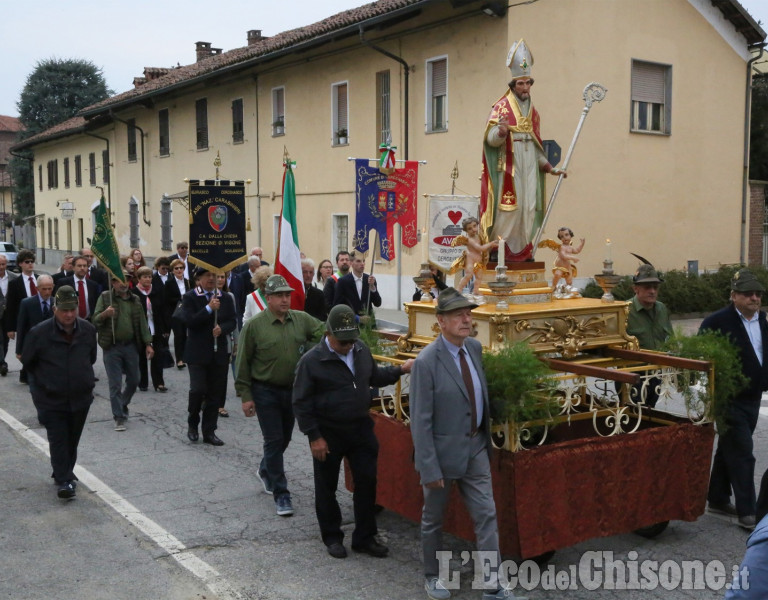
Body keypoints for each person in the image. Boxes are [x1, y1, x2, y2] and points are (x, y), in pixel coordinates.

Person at [410, 288, 517, 600]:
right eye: (459, 314)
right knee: (433, 519)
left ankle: (493, 585)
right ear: (441, 321)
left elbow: (476, 397)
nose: (467, 319)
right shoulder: (426, 362)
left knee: (487, 515)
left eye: (468, 313)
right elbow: (420, 420)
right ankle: (432, 577)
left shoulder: (473, 347)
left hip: (475, 448)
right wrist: (429, 468)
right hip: (442, 457)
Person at [293, 304, 413, 558]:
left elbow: (374, 378)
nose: (347, 346)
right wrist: (314, 436)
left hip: (360, 429)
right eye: (342, 342)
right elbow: (301, 403)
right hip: (328, 433)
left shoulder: (360, 350)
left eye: (351, 340)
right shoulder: (311, 361)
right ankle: (332, 536)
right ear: (328, 335)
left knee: (367, 483)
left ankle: (365, 537)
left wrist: (400, 369)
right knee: (326, 486)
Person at [235, 274, 325, 517]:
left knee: (284, 438)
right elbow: (242, 362)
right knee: (274, 440)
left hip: (293, 391)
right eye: (279, 296)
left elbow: (323, 334)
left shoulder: (301, 319)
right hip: (265, 391)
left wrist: (309, 348)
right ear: (268, 297)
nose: (285, 300)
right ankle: (281, 493)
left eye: (287, 295)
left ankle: (266, 469)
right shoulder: (254, 326)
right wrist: (245, 395)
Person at [480, 39, 564, 262]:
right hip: (509, 168)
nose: (525, 88)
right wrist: (501, 131)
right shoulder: (501, 107)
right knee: (510, 210)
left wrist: (548, 167)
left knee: (529, 207)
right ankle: (500, 248)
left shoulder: (533, 112)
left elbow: (536, 147)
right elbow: (489, 141)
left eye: (528, 83)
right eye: (521, 84)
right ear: (513, 85)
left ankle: (522, 248)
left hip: (529, 169)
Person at [700, 269, 768, 532]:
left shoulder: (761, 320)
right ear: (734, 296)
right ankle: (748, 511)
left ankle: (717, 498)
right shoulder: (717, 322)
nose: (754, 298)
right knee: (742, 452)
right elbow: (704, 358)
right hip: (728, 397)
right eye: (748, 293)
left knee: (729, 447)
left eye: (758, 294)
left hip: (753, 396)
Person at [20, 286, 97, 500]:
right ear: (55, 309)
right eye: (64, 310)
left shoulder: (88, 330)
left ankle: (62, 470)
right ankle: (65, 480)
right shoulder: (39, 333)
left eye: (72, 309)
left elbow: (90, 358)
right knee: (59, 439)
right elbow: (28, 363)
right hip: (51, 400)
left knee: (72, 439)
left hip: (80, 398)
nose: (69, 315)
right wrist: (40, 395)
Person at [181, 267, 236, 446]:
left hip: (218, 351)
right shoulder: (190, 296)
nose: (212, 279)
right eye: (208, 275)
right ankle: (192, 423)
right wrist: (208, 308)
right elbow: (190, 321)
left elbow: (232, 320)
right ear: (199, 278)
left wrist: (223, 329)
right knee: (197, 389)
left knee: (215, 393)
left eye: (215, 275)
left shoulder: (225, 297)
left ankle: (209, 430)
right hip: (197, 352)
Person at [93, 275, 153, 432]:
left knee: (135, 380)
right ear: (113, 282)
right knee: (115, 384)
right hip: (112, 347)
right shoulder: (106, 297)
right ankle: (118, 417)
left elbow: (142, 322)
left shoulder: (135, 300)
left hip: (130, 346)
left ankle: (123, 403)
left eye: (126, 280)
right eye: (119, 280)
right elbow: (95, 319)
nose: (123, 284)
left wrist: (148, 343)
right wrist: (105, 314)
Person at [622, 263, 673, 407]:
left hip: (656, 374)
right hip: (633, 376)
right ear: (635, 288)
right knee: (632, 419)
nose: (652, 291)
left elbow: (671, 338)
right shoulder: (625, 311)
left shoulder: (661, 308)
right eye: (647, 287)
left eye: (655, 287)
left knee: (650, 414)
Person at [133, 266, 170, 392]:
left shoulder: (157, 291)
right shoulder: (134, 293)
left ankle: (159, 382)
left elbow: (164, 310)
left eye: (149, 277)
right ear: (139, 278)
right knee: (142, 356)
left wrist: (166, 327)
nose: (148, 279)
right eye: (145, 277)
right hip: (141, 329)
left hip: (156, 327)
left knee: (158, 355)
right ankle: (143, 382)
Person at [5, 249, 38, 383]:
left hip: (39, 317)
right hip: (24, 320)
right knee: (26, 348)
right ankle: (26, 372)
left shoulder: (39, 279)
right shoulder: (15, 284)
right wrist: (10, 328)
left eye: (32, 262)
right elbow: (11, 307)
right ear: (20, 264)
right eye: (27, 262)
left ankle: (33, 371)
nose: (30, 264)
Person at [449, 216, 499, 298]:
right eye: (469, 228)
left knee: (479, 277)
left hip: (478, 260)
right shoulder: (469, 240)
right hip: (470, 260)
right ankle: (458, 290)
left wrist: (486, 254)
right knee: (468, 275)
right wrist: (491, 244)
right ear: (466, 230)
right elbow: (480, 248)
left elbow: (483, 246)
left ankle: (475, 290)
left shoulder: (478, 236)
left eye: (475, 226)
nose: (473, 229)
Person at [15, 274, 55, 359]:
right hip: (33, 345)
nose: (47, 292)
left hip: (52, 346)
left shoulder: (57, 303)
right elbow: (21, 327)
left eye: (49, 289)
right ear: (37, 288)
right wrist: (19, 350)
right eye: (44, 289)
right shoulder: (27, 303)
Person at [332, 252, 381, 319]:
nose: (362, 264)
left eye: (363, 261)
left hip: (368, 324)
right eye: (358, 261)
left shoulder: (369, 280)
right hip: (351, 322)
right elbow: (337, 306)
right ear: (351, 263)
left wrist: (372, 287)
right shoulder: (343, 281)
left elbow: (378, 303)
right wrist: (356, 318)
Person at [538, 227, 585, 297]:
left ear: (570, 235)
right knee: (557, 275)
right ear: (560, 238)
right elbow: (564, 256)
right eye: (562, 236)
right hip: (560, 267)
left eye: (566, 235)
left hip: (568, 267)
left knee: (569, 281)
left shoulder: (570, 247)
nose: (564, 237)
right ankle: (553, 286)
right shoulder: (561, 247)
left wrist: (582, 244)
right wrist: (573, 258)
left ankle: (568, 290)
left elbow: (577, 251)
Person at [55, 255, 100, 320]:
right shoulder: (63, 283)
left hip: (89, 321)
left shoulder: (93, 285)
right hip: (70, 320)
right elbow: (57, 302)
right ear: (73, 267)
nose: (82, 268)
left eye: (84, 266)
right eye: (79, 266)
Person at [166, 258, 191, 368]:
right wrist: (180, 298)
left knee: (186, 335)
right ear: (173, 270)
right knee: (178, 335)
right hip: (175, 312)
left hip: (186, 311)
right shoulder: (169, 282)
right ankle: (179, 359)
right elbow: (166, 299)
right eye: (177, 268)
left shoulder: (187, 281)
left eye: (181, 268)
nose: (179, 270)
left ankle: (185, 356)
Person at [0, 253, 19, 376]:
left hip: (8, 314)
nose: (1, 267)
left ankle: (2, 361)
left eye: (3, 264)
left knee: (6, 340)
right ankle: (2, 363)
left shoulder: (13, 277)